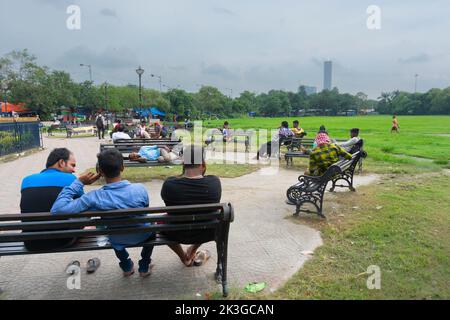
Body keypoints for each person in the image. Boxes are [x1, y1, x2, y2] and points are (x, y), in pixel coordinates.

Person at [51, 149, 155, 278]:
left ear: (100, 171)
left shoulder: (94, 197)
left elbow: (57, 210)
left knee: (113, 234)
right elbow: (144, 209)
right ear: (122, 167)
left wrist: (79, 182)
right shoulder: (140, 189)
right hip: (143, 235)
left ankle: (127, 266)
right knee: (152, 226)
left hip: (117, 239)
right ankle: (144, 266)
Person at [161, 145, 221, 266]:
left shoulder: (169, 184)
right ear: (203, 164)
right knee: (209, 218)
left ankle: (184, 257)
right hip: (207, 231)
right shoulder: (214, 183)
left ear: (184, 163)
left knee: (161, 220)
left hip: (175, 232)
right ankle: (193, 250)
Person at [20, 148, 79, 251]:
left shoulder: (26, 180)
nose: (74, 170)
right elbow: (83, 206)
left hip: (30, 242)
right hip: (62, 240)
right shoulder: (70, 179)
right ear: (61, 162)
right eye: (72, 165)